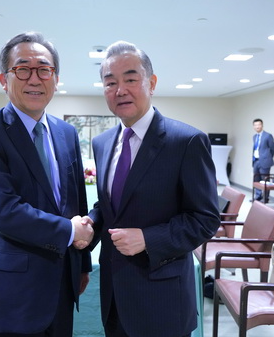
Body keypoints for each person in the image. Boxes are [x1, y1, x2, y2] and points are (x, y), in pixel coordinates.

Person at [84, 41, 221, 337]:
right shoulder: (102, 143)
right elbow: (112, 206)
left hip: (162, 297)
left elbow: (206, 218)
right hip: (114, 295)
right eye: (110, 82)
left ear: (152, 82)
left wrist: (148, 238)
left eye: (131, 79)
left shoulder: (186, 142)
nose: (120, 90)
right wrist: (93, 221)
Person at [0, 32, 94, 337]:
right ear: (3, 79)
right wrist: (71, 231)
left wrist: (82, 262)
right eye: (23, 69)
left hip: (63, 282)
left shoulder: (67, 133)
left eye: (44, 69)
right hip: (11, 293)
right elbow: (4, 211)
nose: (34, 78)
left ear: (56, 78)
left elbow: (76, 203)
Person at [252, 118, 274, 202]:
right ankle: (258, 196)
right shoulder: (255, 136)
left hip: (265, 161)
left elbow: (273, 148)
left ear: (262, 125)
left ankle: (265, 198)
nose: (257, 126)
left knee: (265, 180)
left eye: (259, 125)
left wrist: (267, 157)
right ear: (253, 127)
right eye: (255, 125)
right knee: (256, 179)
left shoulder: (268, 136)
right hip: (256, 161)